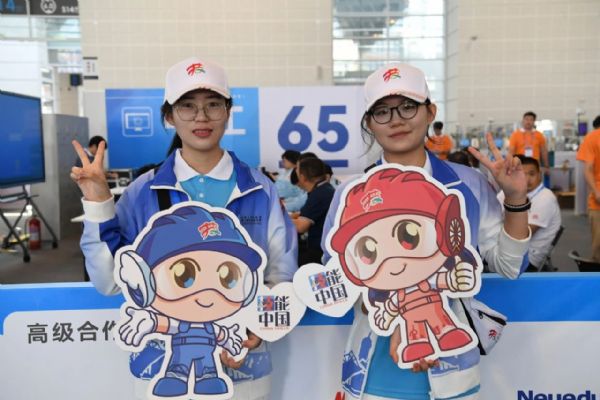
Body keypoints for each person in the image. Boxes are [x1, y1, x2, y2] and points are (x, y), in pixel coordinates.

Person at [71, 57, 297, 400]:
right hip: (159, 375)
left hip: (243, 372)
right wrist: (98, 202)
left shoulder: (259, 189)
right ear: (169, 116)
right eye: (187, 106)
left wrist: (260, 325)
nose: (201, 117)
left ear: (228, 111)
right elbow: (109, 281)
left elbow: (282, 274)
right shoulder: (143, 191)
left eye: (213, 104)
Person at [322, 63, 530, 400]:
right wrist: (398, 319)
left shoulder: (467, 185)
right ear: (369, 123)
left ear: (430, 111)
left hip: (454, 370)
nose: (396, 120)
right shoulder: (350, 196)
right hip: (374, 371)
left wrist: (516, 200)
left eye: (408, 106)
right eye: (382, 111)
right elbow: (339, 281)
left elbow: (510, 266)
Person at [498, 156, 561, 271]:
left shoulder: (546, 198)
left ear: (539, 175)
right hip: (507, 251)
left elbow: (522, 234)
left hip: (526, 258)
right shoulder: (509, 190)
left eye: (532, 174)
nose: (526, 179)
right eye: (521, 174)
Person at [292, 157, 335, 266]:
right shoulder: (325, 189)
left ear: (302, 177)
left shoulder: (319, 194)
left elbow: (300, 227)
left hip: (319, 253)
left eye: (297, 170)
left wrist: (276, 218)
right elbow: (307, 214)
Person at [576, 115, 600, 261]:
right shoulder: (593, 137)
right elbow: (588, 169)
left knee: (598, 247)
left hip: (597, 199)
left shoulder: (591, 137)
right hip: (598, 201)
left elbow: (588, 169)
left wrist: (596, 192)